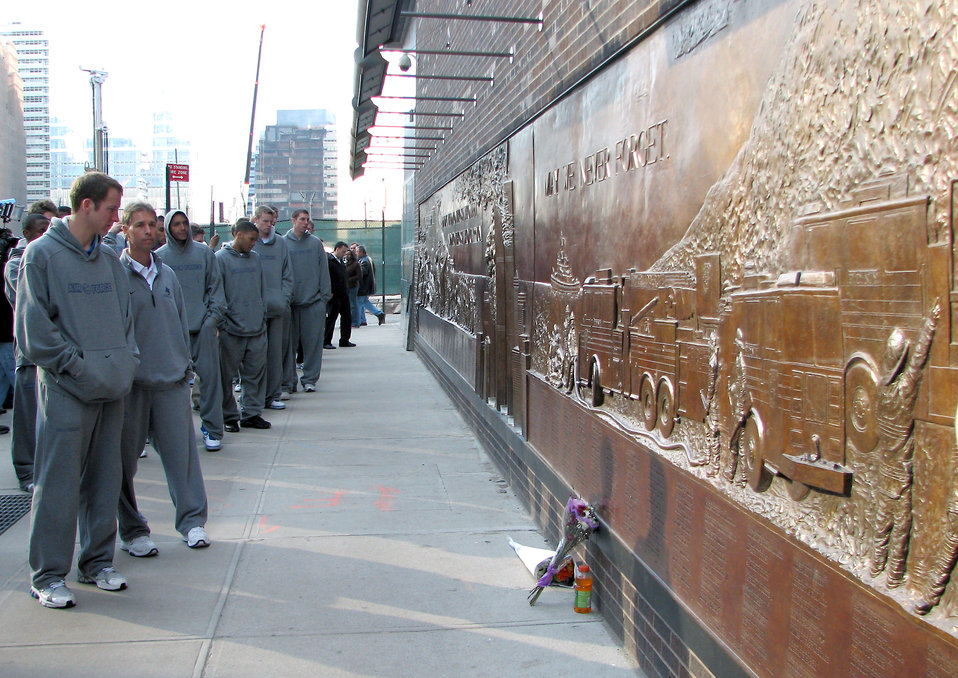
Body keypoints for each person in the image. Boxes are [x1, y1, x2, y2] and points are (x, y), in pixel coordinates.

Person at [16, 171, 139, 609]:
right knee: (58, 484)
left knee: (105, 480)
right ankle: (48, 575)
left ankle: (96, 563)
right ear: (85, 205)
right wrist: (79, 369)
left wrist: (126, 364)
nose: (116, 221)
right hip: (68, 391)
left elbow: (127, 322)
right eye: (111, 210)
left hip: (112, 389)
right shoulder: (41, 256)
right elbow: (35, 334)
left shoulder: (109, 261)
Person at [116, 202, 210, 557]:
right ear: (125, 230)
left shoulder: (167, 274)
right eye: (139, 225)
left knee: (182, 457)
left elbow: (180, 323)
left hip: (171, 380)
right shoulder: (115, 273)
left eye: (152, 225)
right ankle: (133, 531)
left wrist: (184, 364)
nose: (148, 231)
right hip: (132, 387)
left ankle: (192, 522)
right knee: (123, 464)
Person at [157, 210, 226, 452]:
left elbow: (216, 289)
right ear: (167, 228)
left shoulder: (205, 253)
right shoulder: (159, 257)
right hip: (172, 332)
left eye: (184, 223)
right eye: (176, 224)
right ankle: (175, 432)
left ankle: (212, 429)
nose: (181, 228)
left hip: (203, 328)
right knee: (172, 385)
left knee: (209, 380)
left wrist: (212, 321)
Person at [4, 213, 49, 492]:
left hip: (49, 355)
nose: (47, 233)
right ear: (28, 233)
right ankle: (27, 471)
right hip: (28, 354)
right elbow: (30, 300)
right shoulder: (15, 264)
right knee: (26, 414)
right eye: (42, 229)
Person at [216, 219, 271, 430]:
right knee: (225, 376)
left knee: (255, 374)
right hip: (232, 330)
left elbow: (261, 289)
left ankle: (251, 413)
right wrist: (224, 323)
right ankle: (229, 416)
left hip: (256, 328)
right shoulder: (220, 259)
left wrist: (261, 315)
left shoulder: (255, 259)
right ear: (238, 234)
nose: (253, 244)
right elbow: (217, 293)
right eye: (251, 239)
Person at [284, 209, 331, 392]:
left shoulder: (314, 244)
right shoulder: (283, 243)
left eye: (307, 219)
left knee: (313, 345)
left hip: (313, 303)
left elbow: (323, 271)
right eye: (302, 219)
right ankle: (288, 381)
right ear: (293, 220)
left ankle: (310, 379)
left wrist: (323, 298)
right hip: (291, 304)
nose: (305, 223)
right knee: (288, 346)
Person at [252, 205, 293, 410]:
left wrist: (283, 298)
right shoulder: (250, 244)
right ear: (256, 220)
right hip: (255, 311)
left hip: (277, 308)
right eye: (265, 221)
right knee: (254, 355)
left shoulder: (281, 244)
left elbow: (287, 274)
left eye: (271, 221)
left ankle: (273, 394)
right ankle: (255, 396)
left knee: (275, 353)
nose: (269, 225)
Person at [325, 241, 355, 348]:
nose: (344, 254)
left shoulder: (341, 262)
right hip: (334, 294)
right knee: (332, 317)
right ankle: (326, 340)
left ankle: (345, 339)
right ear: (337, 249)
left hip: (344, 293)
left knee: (347, 317)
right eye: (343, 252)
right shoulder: (329, 262)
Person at [356, 245, 385, 325]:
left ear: (361, 252)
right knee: (364, 302)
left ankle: (360, 319)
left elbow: (362, 273)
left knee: (360, 303)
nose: (356, 253)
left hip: (363, 287)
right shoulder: (367, 259)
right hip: (366, 286)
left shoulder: (364, 261)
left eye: (357, 252)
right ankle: (364, 319)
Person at [345, 247, 362, 327]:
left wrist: (349, 280)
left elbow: (359, 276)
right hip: (347, 286)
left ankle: (355, 322)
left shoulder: (356, 264)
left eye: (348, 254)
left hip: (353, 286)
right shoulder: (345, 263)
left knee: (353, 304)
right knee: (349, 304)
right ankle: (352, 321)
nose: (346, 256)